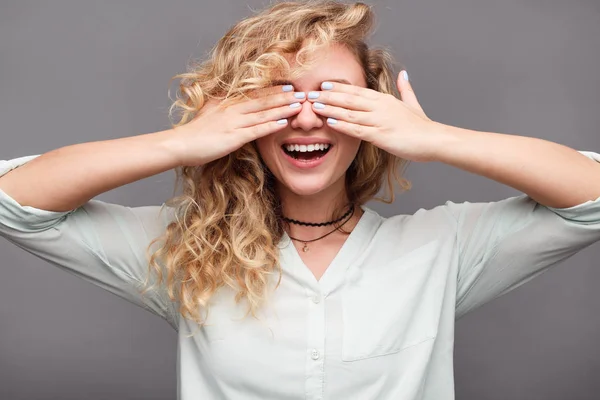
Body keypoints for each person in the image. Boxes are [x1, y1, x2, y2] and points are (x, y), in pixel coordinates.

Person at [1, 1, 599, 399]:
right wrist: (181, 142)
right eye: (279, 97)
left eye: (335, 97)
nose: (307, 118)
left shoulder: (442, 250)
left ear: (371, 115)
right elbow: (13, 202)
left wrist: (437, 139)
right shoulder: (186, 254)